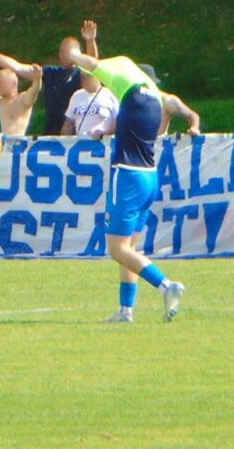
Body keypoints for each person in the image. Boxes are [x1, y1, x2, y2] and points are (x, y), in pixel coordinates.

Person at [66, 29, 186, 322]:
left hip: (128, 175)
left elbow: (95, 67)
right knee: (131, 248)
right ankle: (126, 310)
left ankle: (166, 284)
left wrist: (73, 54)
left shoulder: (130, 93)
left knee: (117, 249)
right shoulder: (155, 100)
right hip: (149, 176)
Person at [63, 70, 117, 138]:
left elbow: (119, 121)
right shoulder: (76, 96)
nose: (84, 79)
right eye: (82, 76)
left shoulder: (110, 95)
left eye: (88, 76)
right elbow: (68, 123)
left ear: (97, 76)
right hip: (81, 145)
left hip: (104, 143)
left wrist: (105, 132)